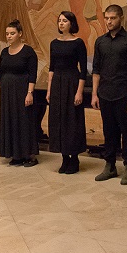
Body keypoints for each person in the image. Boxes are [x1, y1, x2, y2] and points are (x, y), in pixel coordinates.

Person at [92, 5, 127, 185]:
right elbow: (96, 70)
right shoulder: (100, 42)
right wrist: (95, 94)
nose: (109, 21)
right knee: (109, 131)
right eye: (106, 18)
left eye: (112, 18)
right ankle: (110, 165)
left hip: (124, 94)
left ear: (121, 18)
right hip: (105, 93)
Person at [0, 20, 39, 166]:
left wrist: (30, 93)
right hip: (7, 92)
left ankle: (30, 156)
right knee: (10, 121)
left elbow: (32, 75)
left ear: (20, 34)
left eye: (12, 33)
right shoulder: (4, 52)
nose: (9, 36)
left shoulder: (28, 52)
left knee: (24, 121)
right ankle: (16, 155)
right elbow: (0, 73)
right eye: (7, 34)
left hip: (22, 91)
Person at [46, 12, 87, 174]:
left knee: (72, 120)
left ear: (71, 23)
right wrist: (49, 90)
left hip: (72, 82)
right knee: (58, 119)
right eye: (59, 21)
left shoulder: (78, 43)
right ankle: (64, 158)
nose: (61, 23)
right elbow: (51, 68)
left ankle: (74, 158)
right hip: (57, 83)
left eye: (65, 21)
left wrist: (79, 92)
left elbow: (83, 70)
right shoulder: (54, 43)